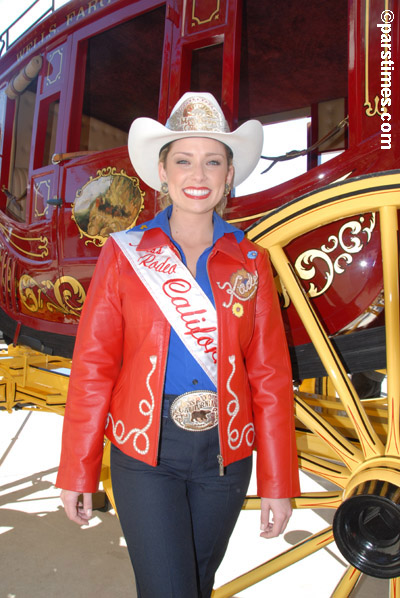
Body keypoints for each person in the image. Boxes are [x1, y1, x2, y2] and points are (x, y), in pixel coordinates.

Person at [57, 92, 300, 598]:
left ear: (229, 175)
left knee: (196, 585)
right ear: (162, 173)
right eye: (183, 160)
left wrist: (279, 480)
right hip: (145, 451)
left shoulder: (251, 261)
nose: (199, 173)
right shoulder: (125, 255)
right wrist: (77, 468)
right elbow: (94, 366)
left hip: (227, 457)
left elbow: (271, 377)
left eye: (213, 161)